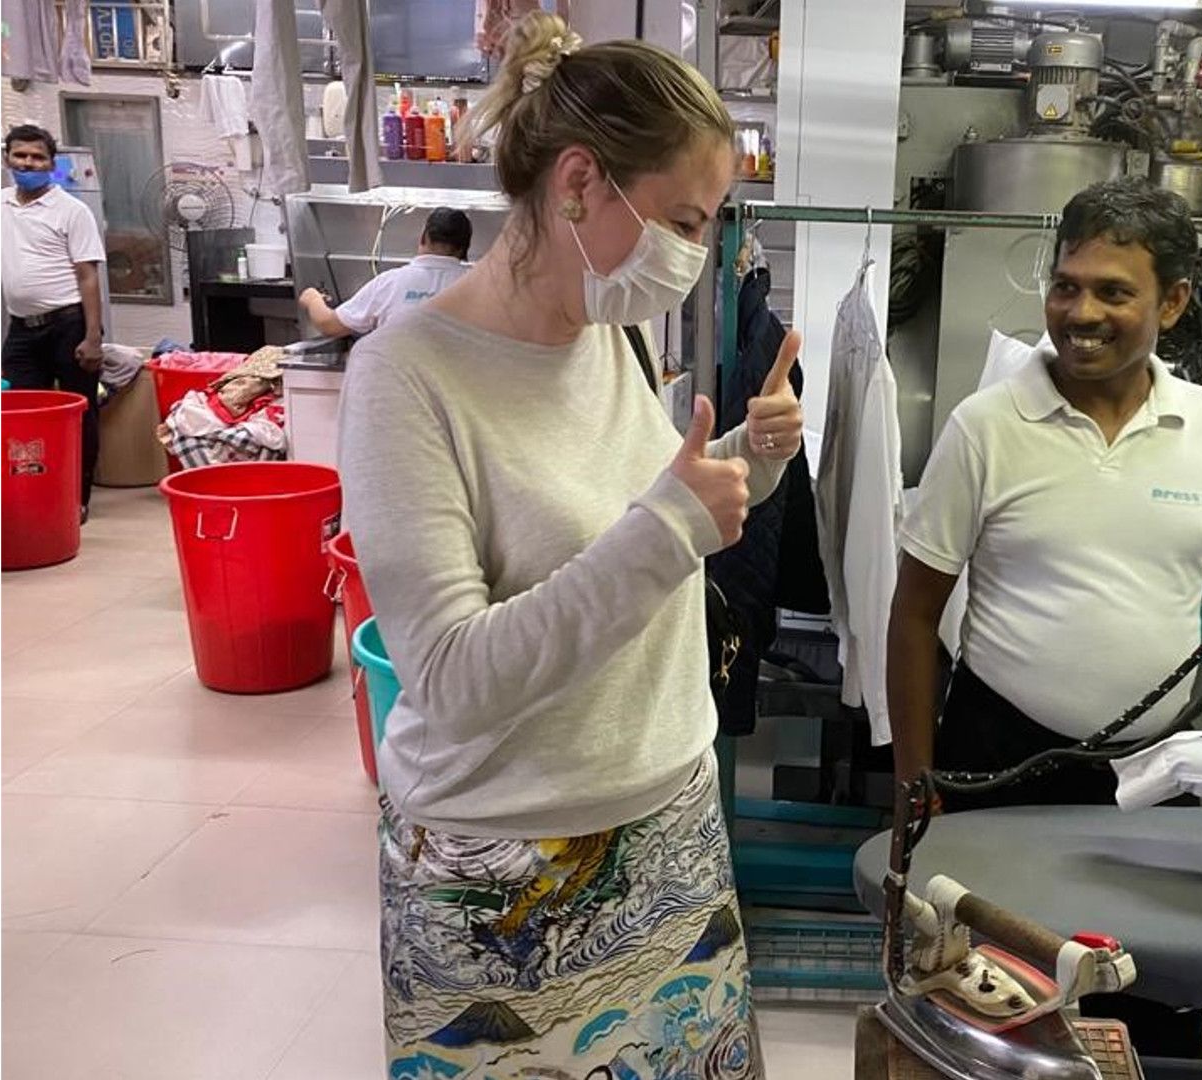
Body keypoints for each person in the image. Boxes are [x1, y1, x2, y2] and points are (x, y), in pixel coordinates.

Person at [337, 14, 802, 1078]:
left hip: (671, 825)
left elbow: (620, 515)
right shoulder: (409, 377)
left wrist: (743, 461)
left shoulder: (614, 330)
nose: (695, 254)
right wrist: (675, 525)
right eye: (686, 221)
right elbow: (449, 675)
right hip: (499, 872)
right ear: (581, 183)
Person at [885, 177, 1202, 1060]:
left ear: (1172, 302)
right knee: (996, 1015)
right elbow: (914, 616)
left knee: (1156, 1008)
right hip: (1002, 764)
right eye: (1067, 285)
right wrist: (915, 779)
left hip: (1163, 775)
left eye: (1113, 291)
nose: (1081, 312)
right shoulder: (986, 427)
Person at [1, 123, 106, 522]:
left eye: (38, 157)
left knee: (79, 413)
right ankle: (34, 494)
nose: (29, 163)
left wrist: (93, 335)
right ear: (7, 158)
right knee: (24, 416)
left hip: (69, 324)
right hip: (21, 328)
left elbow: (88, 275)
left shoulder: (71, 211)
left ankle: (77, 498)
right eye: (21, 156)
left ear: (51, 163)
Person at [297, 207, 473, 338]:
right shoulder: (479, 284)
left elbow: (329, 324)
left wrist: (313, 299)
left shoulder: (391, 283)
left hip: (398, 384)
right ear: (465, 248)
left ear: (422, 238)